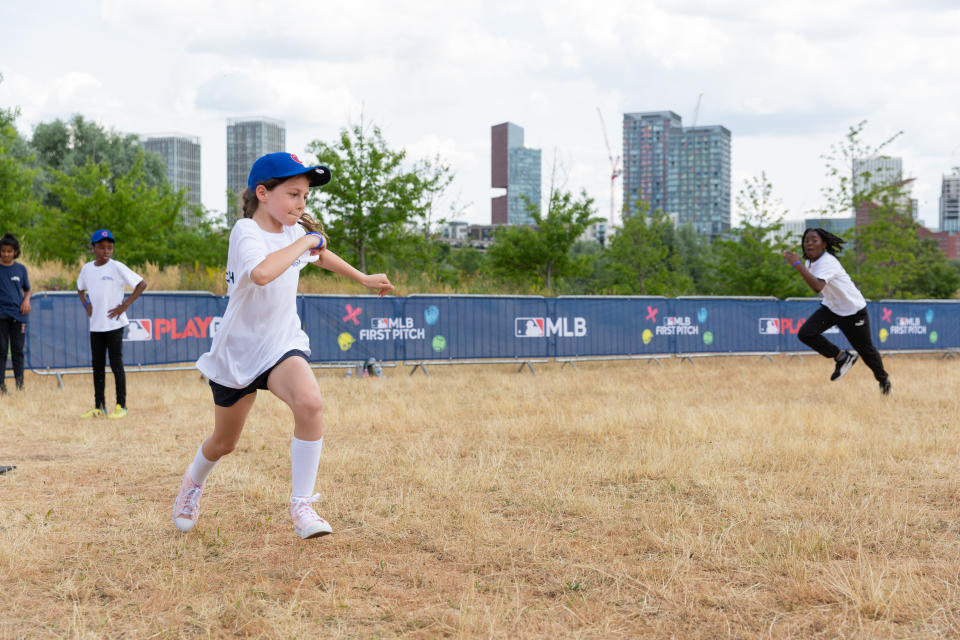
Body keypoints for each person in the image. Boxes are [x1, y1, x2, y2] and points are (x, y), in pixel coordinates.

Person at [172, 152, 394, 540]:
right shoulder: (246, 232)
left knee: (310, 403)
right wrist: (306, 239)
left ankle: (302, 505)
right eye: (293, 194)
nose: (301, 204)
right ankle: (192, 484)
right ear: (263, 193)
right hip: (238, 354)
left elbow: (320, 255)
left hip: (280, 345)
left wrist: (362, 278)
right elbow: (261, 273)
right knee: (224, 442)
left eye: (305, 197)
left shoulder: (294, 232)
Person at [783, 227, 891, 395]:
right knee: (806, 333)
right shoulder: (809, 263)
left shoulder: (828, 262)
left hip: (852, 310)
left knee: (866, 350)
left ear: (824, 244)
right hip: (832, 307)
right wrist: (800, 264)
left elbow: (817, 286)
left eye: (814, 240)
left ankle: (883, 380)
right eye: (806, 241)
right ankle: (842, 357)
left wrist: (796, 264)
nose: (809, 244)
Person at [77, 229, 147, 418]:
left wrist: (125, 305)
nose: (106, 251)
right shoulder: (87, 269)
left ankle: (121, 406)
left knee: (116, 364)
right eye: (101, 247)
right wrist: (86, 304)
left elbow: (141, 283)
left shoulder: (117, 267)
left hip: (115, 324)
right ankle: (99, 407)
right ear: (93, 249)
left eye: (110, 247)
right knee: (97, 366)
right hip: (96, 325)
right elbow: (79, 288)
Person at [0, 233, 31, 393]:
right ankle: (1, 386)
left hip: (19, 316)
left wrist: (26, 300)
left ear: (15, 252)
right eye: (3, 251)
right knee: (1, 350)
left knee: (18, 350)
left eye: (9, 251)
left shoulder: (21, 269)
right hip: (1, 316)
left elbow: (28, 289)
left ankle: (20, 385)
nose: (6, 254)